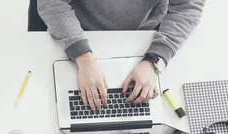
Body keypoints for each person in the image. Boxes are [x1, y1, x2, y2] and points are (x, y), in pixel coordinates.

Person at [37, 0, 205, 110]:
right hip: (77, 31)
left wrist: (154, 61)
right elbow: (52, 3)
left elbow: (187, 8)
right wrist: (84, 58)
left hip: (141, 37)